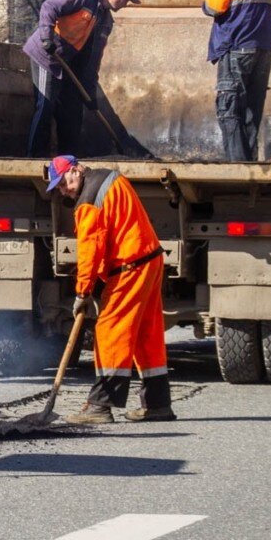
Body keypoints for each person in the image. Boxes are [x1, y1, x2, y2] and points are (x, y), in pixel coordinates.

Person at [46, 155, 175, 424]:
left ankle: (100, 406)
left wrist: (82, 292)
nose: (64, 190)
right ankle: (157, 404)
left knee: (109, 329)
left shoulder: (88, 201)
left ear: (76, 169)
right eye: (58, 188)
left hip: (130, 266)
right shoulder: (109, 178)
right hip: (150, 259)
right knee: (145, 333)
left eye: (63, 183)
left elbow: (90, 252)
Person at [22, 0, 140, 158]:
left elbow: (93, 60)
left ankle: (68, 159)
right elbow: (49, 6)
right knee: (46, 105)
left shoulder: (105, 21)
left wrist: (90, 94)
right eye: (126, 0)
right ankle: (32, 157)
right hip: (47, 55)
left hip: (67, 64)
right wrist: (47, 37)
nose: (125, 5)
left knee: (72, 112)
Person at [201, 0, 271, 161]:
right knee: (252, 108)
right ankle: (249, 161)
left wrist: (204, 4)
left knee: (229, 107)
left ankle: (237, 165)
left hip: (237, 45)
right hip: (263, 48)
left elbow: (214, 7)